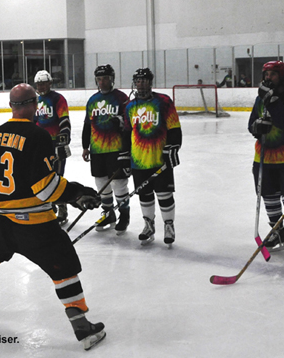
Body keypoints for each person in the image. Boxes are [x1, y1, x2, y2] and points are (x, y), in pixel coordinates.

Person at [0, 83, 106, 351]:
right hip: (33, 223)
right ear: (34, 104)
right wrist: (76, 193)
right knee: (64, 266)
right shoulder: (37, 135)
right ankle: (82, 326)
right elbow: (45, 188)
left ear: (12, 107)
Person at [248, 61, 284, 255]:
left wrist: (271, 101)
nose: (268, 78)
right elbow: (251, 125)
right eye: (266, 74)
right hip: (264, 158)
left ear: (282, 76)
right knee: (269, 197)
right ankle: (277, 231)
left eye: (273, 74)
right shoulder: (261, 98)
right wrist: (258, 126)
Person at [122, 68, 182, 245]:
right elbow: (126, 133)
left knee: (164, 194)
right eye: (138, 81)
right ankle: (149, 225)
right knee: (145, 195)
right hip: (139, 161)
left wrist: (173, 147)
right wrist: (125, 156)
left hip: (160, 159)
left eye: (144, 80)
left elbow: (174, 128)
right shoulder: (129, 106)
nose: (141, 84)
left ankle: (169, 225)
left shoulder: (163, 101)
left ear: (150, 82)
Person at [81, 64, 131, 233]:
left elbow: (130, 124)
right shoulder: (92, 100)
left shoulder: (121, 98)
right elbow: (87, 124)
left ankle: (124, 215)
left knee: (119, 184)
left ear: (112, 79)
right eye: (99, 79)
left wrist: (121, 122)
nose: (102, 82)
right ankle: (109, 213)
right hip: (97, 150)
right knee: (101, 183)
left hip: (116, 149)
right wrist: (85, 146)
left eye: (105, 79)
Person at [34, 69, 71, 226]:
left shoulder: (57, 98)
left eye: (44, 83)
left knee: (57, 176)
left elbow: (64, 120)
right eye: (39, 84)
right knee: (43, 176)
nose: (41, 87)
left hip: (56, 143)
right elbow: (34, 122)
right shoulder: (35, 101)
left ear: (49, 83)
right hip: (42, 144)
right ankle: (49, 206)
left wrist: (63, 140)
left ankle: (62, 208)